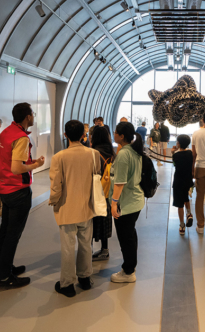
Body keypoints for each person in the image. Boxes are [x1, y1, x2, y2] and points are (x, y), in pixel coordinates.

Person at [0, 102, 45, 291]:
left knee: (5, 231)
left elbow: (9, 160)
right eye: (32, 113)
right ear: (27, 117)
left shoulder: (7, 132)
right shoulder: (21, 137)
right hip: (17, 191)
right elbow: (17, 168)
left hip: (4, 189)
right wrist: (36, 165)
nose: (33, 116)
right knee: (12, 235)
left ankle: (4, 268)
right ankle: (5, 277)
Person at [49, 120, 98, 297]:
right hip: (87, 207)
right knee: (86, 244)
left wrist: (53, 201)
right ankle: (85, 278)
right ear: (83, 135)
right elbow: (96, 179)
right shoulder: (93, 154)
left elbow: (56, 185)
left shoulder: (59, 157)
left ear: (65, 135)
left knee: (68, 247)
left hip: (67, 208)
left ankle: (67, 284)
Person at [109, 122, 145, 283]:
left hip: (127, 202)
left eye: (115, 132)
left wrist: (114, 203)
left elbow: (120, 182)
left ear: (121, 136)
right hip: (135, 200)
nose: (114, 134)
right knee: (130, 234)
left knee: (125, 238)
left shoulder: (124, 154)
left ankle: (128, 271)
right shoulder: (133, 151)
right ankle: (131, 265)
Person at [90, 126, 115, 261]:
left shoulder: (94, 153)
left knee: (91, 221)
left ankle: (89, 249)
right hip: (108, 193)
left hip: (95, 193)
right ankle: (105, 250)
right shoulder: (111, 153)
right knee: (105, 221)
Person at [171, 135, 194, 235]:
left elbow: (175, 165)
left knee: (179, 204)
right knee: (186, 198)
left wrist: (173, 153)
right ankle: (188, 213)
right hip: (188, 180)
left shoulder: (176, 155)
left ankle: (182, 225)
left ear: (178, 143)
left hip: (178, 182)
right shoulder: (190, 153)